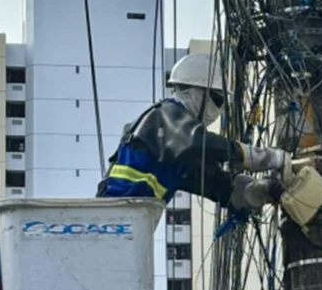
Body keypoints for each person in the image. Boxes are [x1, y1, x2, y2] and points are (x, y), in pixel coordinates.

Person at [96, 53, 289, 211]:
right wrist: (264, 157)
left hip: (128, 224)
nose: (218, 111)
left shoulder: (174, 152)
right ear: (197, 92)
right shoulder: (162, 118)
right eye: (217, 99)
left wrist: (259, 190)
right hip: (111, 219)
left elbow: (216, 183)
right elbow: (198, 143)